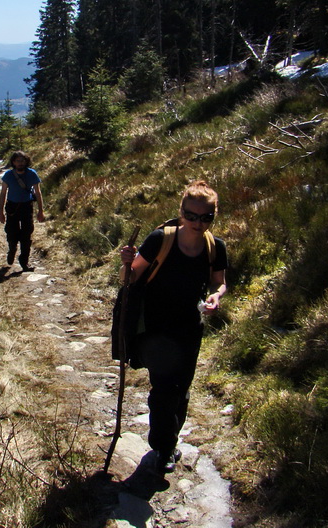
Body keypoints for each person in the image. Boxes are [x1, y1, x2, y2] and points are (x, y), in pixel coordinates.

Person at [119, 180, 228, 473]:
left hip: (190, 328)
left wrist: (215, 296)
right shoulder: (160, 240)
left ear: (213, 216)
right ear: (181, 212)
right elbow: (129, 278)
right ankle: (163, 447)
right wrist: (125, 262)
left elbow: (219, 281)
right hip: (156, 329)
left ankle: (170, 440)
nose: (197, 222)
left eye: (205, 217)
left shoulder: (215, 247)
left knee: (182, 389)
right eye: (191, 216)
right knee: (165, 388)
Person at [0, 151, 45, 271]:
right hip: (12, 208)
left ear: (26, 161)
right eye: (18, 161)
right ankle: (12, 249)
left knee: (26, 234)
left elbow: (38, 193)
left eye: (22, 161)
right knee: (11, 232)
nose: (20, 163)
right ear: (13, 162)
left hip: (26, 207)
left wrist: (40, 211)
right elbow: (3, 194)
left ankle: (24, 262)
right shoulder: (8, 175)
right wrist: (0, 212)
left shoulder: (32, 174)